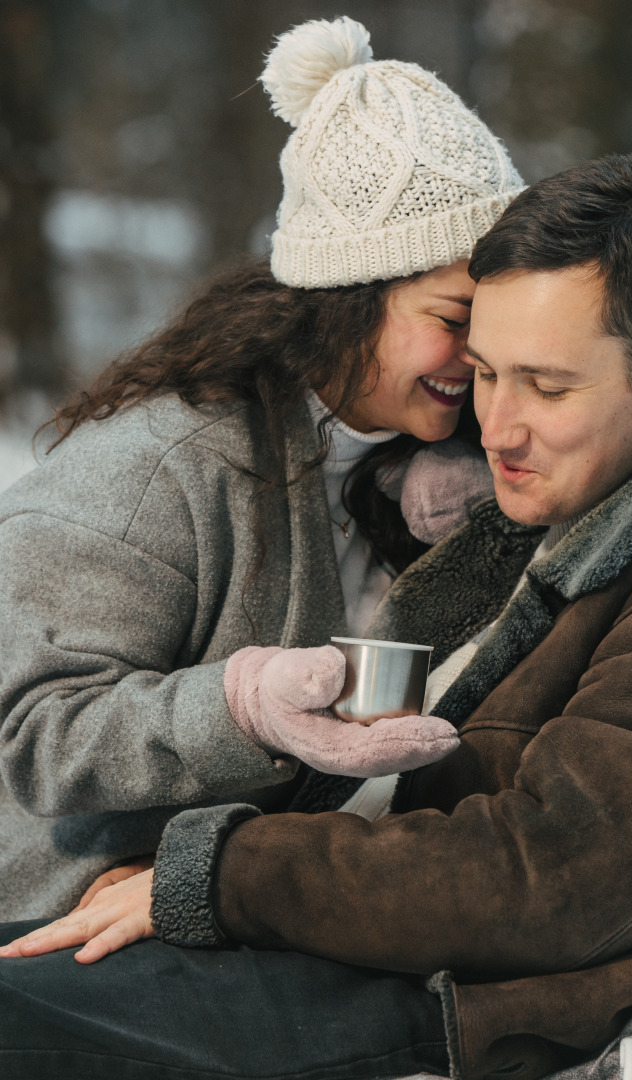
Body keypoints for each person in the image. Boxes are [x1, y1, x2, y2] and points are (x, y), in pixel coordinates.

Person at [4, 153, 632, 1080]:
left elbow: (552, 874)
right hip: (360, 934)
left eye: (546, 387)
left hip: (459, 994)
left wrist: (221, 874)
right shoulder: (519, 509)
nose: (497, 424)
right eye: (486, 371)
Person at [0, 16, 523, 920]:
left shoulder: (442, 459)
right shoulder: (161, 468)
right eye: (454, 315)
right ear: (348, 296)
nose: (482, 354)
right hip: (73, 913)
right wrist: (240, 707)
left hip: (274, 901)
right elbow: (36, 732)